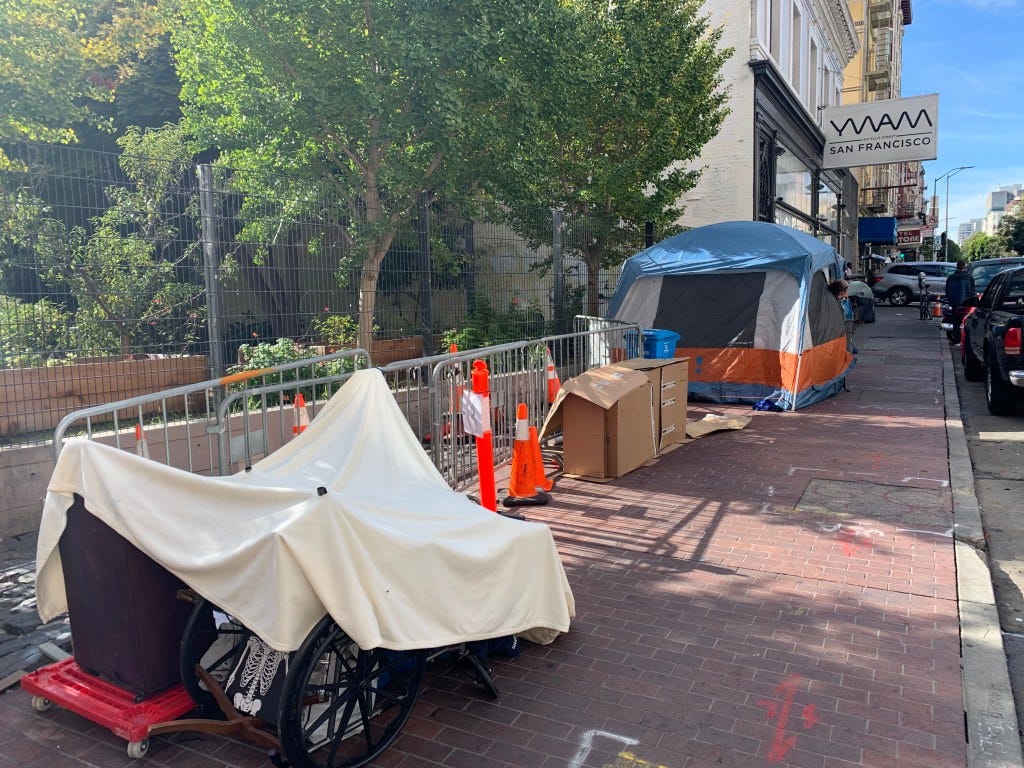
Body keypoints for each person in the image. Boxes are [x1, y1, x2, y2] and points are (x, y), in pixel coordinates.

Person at [828, 279, 857, 354]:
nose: (846, 294)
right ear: (840, 292)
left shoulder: (844, 300)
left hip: (847, 320)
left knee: (846, 340)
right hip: (845, 321)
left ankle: (844, 356)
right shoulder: (837, 301)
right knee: (844, 340)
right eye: (845, 292)